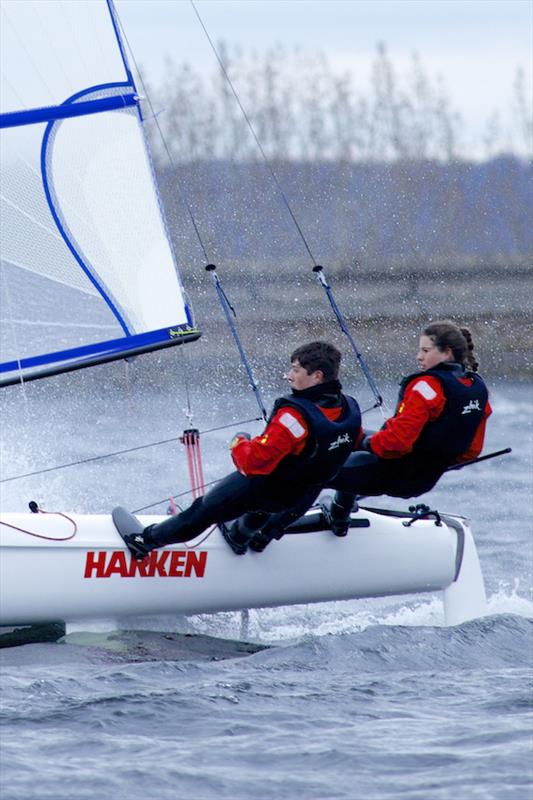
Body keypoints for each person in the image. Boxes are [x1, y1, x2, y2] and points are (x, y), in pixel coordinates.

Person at [118, 341, 363, 559]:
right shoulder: (349, 408)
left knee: (203, 510)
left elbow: (253, 462)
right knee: (271, 501)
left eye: (296, 370)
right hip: (300, 496)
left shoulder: (294, 418)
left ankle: (144, 541)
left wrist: (239, 442)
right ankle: (241, 536)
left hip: (269, 489)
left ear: (317, 376)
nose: (288, 376)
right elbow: (351, 442)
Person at [323, 320, 492, 535]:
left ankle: (267, 532)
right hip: (423, 479)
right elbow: (471, 451)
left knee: (308, 471)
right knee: (345, 437)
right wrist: (438, 460)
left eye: (425, 350)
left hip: (393, 472)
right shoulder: (476, 389)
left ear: (447, 353)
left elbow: (396, 444)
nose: (418, 356)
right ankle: (339, 516)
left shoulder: (427, 386)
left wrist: (365, 443)